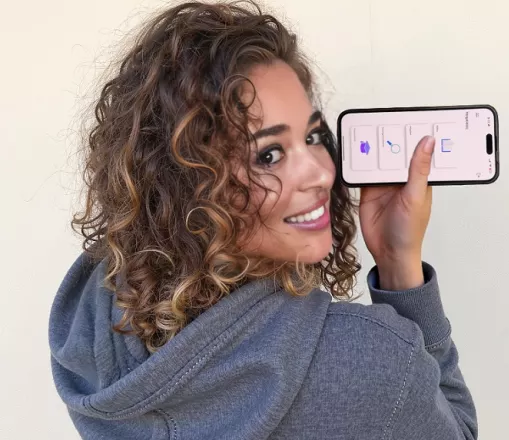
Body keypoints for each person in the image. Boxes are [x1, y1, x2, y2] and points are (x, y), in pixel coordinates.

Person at [48, 2, 478, 439]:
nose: (322, 173)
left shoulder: (94, 331)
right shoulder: (368, 361)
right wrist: (400, 265)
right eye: (269, 155)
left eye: (313, 136)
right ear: (190, 185)